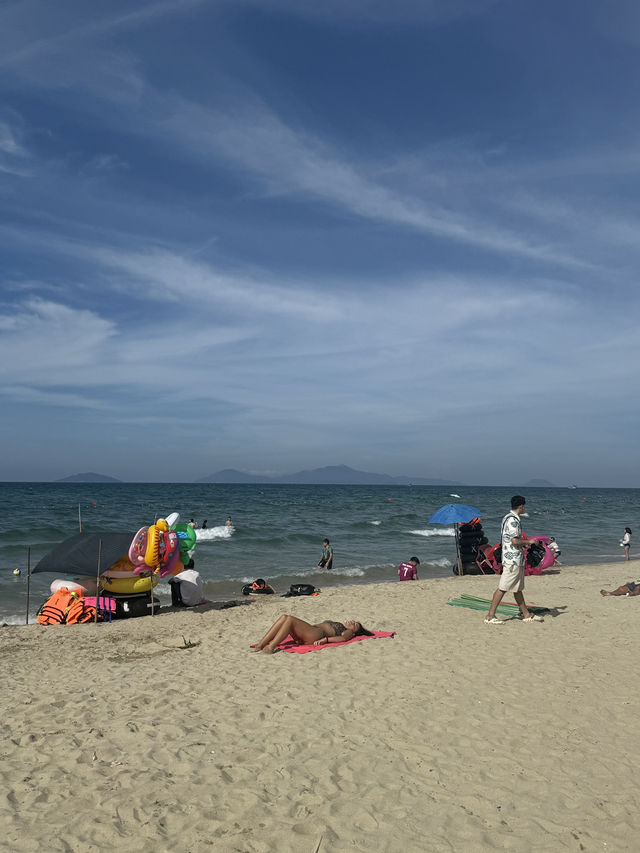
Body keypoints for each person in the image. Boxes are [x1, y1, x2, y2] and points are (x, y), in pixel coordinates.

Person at [484, 495, 544, 625]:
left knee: (517, 588)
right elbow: (514, 541)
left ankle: (526, 615)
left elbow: (511, 540)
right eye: (524, 506)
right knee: (503, 587)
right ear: (521, 506)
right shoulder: (513, 520)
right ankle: (490, 616)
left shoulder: (507, 517)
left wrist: (524, 544)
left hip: (514, 559)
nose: (525, 508)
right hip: (512, 560)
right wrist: (529, 542)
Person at [251, 615, 373, 654]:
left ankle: (271, 647)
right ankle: (261, 644)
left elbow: (343, 638)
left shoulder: (349, 632)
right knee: (284, 617)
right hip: (309, 632)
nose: (352, 623)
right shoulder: (344, 626)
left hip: (316, 635)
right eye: (354, 621)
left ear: (355, 632)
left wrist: (326, 640)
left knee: (289, 619)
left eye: (354, 625)